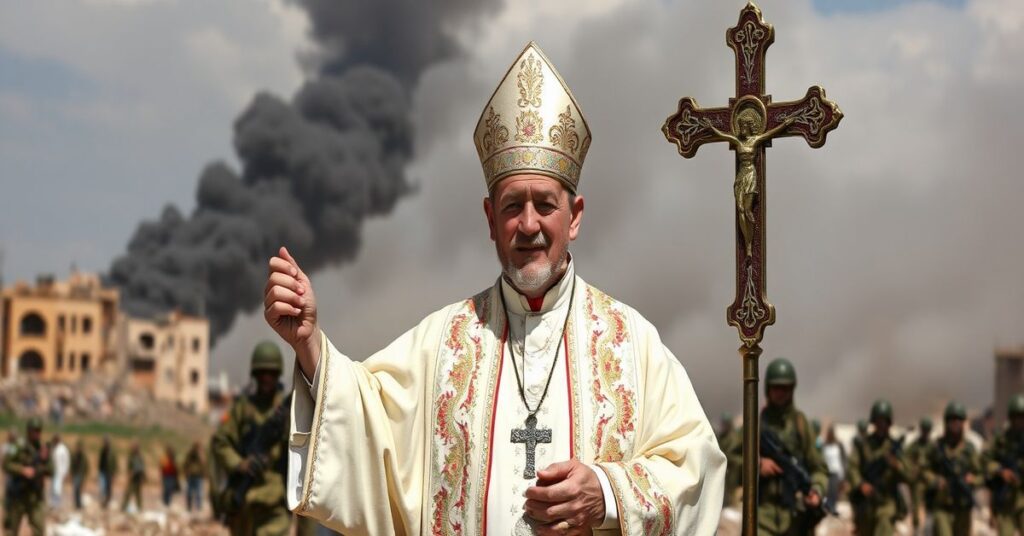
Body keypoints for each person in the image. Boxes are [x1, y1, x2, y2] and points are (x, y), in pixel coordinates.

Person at [265, 41, 726, 535]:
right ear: (490, 219)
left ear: (575, 217)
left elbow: (695, 466)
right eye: (512, 207)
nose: (528, 225)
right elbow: (367, 421)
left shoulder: (632, 344)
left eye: (544, 205)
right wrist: (309, 343)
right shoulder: (441, 343)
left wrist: (608, 493)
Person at [211, 342, 291, 535]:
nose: (266, 378)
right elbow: (220, 441)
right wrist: (240, 464)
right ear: (255, 375)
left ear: (278, 374)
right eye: (262, 373)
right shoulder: (243, 408)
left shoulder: (287, 410)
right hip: (244, 501)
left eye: (271, 373)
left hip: (273, 502)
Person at [754, 357, 828, 535]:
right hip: (762, 516)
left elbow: (819, 467)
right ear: (768, 389)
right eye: (776, 387)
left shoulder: (801, 423)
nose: (781, 393)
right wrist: (758, 464)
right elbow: (731, 460)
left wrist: (816, 490)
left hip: (795, 517)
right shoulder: (756, 422)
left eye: (786, 388)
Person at [847, 399, 909, 536]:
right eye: (878, 422)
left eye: (884, 422)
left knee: (884, 524)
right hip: (866, 503)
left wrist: (896, 466)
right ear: (873, 422)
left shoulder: (894, 447)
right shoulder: (863, 445)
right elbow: (852, 467)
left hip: (886, 501)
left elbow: (909, 474)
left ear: (889, 423)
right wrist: (861, 484)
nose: (881, 425)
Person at [923, 401, 980, 536]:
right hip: (942, 506)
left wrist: (973, 479)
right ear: (946, 422)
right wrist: (936, 480)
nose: (955, 424)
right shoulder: (937, 447)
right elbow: (923, 469)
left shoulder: (969, 449)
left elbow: (981, 473)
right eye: (952, 420)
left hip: (963, 507)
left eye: (958, 420)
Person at [3, 418, 53, 536]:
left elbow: (51, 470)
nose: (37, 433)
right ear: (29, 431)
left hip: (35, 496)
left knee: (39, 530)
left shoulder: (43, 449)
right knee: (11, 530)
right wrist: (22, 470)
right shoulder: (18, 446)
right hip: (18, 495)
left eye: (39, 430)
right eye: (34, 430)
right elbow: (6, 464)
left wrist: (40, 467)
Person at [984, 394, 1024, 536]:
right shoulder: (1000, 440)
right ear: (1011, 418)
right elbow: (985, 461)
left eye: (1022, 417)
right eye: (1016, 417)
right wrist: (1001, 471)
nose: (1019, 421)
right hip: (1005, 499)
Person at [904, 417, 933, 532]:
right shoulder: (914, 445)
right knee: (916, 507)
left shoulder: (933, 446)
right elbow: (906, 459)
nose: (925, 433)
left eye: (927, 430)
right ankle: (916, 529)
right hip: (917, 482)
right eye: (924, 430)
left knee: (931, 508)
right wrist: (913, 468)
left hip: (930, 481)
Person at [717, 412, 743, 507]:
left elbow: (735, 455)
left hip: (735, 475)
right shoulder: (722, 437)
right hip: (726, 474)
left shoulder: (735, 437)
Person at [821, 424, 846, 513]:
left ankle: (833, 507)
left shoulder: (839, 444)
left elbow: (843, 459)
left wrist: (843, 474)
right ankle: (828, 506)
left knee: (834, 491)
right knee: (828, 490)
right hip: (827, 471)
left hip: (836, 471)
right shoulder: (824, 445)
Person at [183, 442, 206, 513]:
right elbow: (186, 463)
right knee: (190, 492)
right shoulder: (191, 454)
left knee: (198, 492)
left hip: (198, 475)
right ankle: (190, 507)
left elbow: (203, 464)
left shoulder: (199, 454)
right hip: (192, 475)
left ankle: (198, 507)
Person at [122, 441, 145, 512]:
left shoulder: (139, 456)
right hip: (132, 478)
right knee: (128, 492)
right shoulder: (131, 456)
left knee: (138, 494)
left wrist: (142, 477)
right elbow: (129, 467)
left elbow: (142, 467)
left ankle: (140, 508)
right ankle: (123, 507)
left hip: (138, 478)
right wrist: (129, 475)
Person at [49, 433, 70, 509]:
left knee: (57, 487)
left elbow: (66, 460)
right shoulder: (55, 448)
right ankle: (53, 503)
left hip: (60, 471)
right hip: (55, 470)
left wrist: (66, 471)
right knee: (54, 487)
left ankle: (57, 503)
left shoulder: (63, 449)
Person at [97, 435, 117, 509]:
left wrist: (114, 473)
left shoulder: (111, 452)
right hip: (103, 471)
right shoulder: (102, 451)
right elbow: (100, 461)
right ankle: (103, 502)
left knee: (108, 487)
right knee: (102, 487)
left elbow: (114, 463)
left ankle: (107, 502)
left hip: (109, 472)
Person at [69, 438, 88, 510]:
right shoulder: (74, 456)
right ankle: (77, 503)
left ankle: (79, 503)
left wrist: (85, 475)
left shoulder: (83, 456)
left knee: (79, 489)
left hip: (81, 475)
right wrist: (71, 473)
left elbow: (86, 466)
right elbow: (72, 465)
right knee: (76, 489)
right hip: (76, 474)